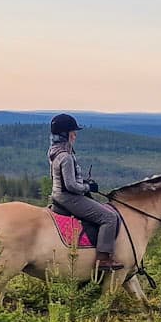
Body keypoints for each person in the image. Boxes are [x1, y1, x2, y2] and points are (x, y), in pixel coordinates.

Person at [47, 113, 124, 273]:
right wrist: (88, 188)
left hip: (58, 195)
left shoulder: (54, 151)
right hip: (68, 198)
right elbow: (71, 186)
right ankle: (103, 259)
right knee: (109, 217)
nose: (75, 135)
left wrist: (84, 184)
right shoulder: (65, 157)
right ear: (64, 134)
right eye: (72, 132)